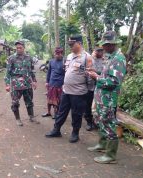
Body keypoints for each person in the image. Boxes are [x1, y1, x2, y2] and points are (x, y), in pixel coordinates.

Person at [87, 31, 126, 164]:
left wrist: (96, 77)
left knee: (109, 124)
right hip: (101, 98)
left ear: (111, 44)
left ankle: (111, 155)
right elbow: (107, 74)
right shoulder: (110, 57)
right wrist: (96, 72)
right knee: (100, 120)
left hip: (108, 100)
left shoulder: (118, 59)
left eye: (105, 45)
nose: (102, 48)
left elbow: (114, 82)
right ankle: (102, 144)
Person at [45, 35, 92, 143]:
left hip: (79, 92)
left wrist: (88, 91)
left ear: (79, 43)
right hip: (66, 90)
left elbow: (90, 75)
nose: (70, 46)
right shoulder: (69, 56)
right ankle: (56, 130)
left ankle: (75, 133)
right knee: (61, 111)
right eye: (69, 44)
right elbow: (67, 70)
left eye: (72, 44)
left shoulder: (87, 57)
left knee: (76, 114)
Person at [4, 40, 39, 126]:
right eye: (17, 48)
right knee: (15, 102)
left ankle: (31, 116)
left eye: (20, 47)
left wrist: (34, 81)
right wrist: (7, 84)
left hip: (27, 84)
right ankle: (18, 119)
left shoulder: (29, 58)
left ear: (24, 48)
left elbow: (32, 70)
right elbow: (8, 72)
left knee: (29, 101)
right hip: (16, 85)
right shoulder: (11, 58)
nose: (18, 49)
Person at [84, 46, 105, 131]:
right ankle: (89, 122)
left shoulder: (105, 61)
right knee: (88, 105)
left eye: (101, 51)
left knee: (98, 106)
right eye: (97, 51)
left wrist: (96, 72)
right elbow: (86, 70)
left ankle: (97, 122)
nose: (99, 53)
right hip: (90, 86)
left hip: (100, 87)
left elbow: (105, 73)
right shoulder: (90, 60)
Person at [42, 47, 65, 119]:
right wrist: (47, 81)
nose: (58, 55)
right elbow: (49, 72)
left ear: (61, 54)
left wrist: (64, 84)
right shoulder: (51, 61)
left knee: (57, 99)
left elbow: (66, 74)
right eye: (56, 54)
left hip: (60, 84)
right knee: (49, 98)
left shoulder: (64, 62)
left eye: (59, 54)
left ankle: (56, 113)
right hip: (51, 83)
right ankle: (49, 112)